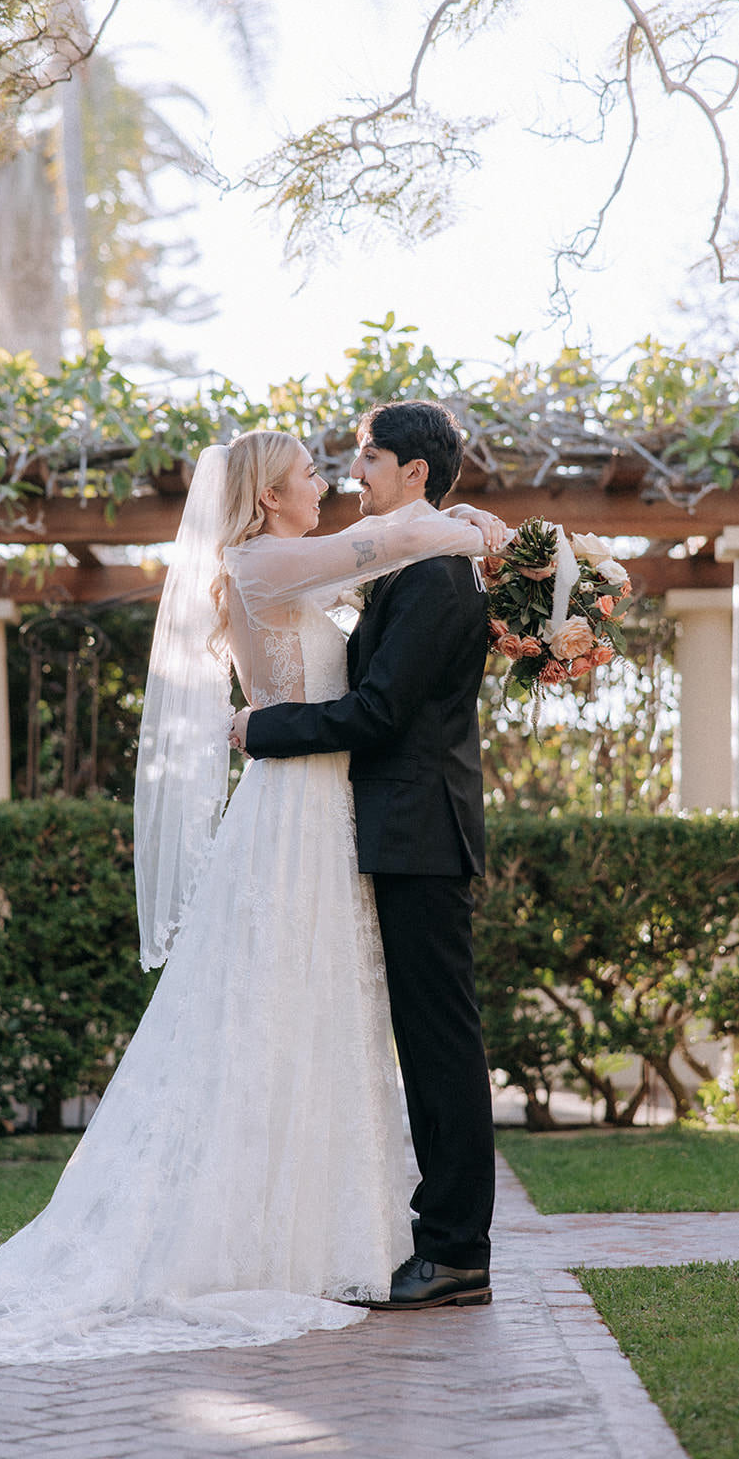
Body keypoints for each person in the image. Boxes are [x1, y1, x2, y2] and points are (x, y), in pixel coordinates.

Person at [0, 429, 506, 1374]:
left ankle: (375, 1236)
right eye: (309, 474)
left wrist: (463, 534)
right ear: (265, 495)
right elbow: (375, 561)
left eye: (354, 464)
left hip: (345, 818)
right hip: (304, 816)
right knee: (282, 1021)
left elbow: (378, 654)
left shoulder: (331, 566)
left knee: (329, 1022)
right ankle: (305, 1236)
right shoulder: (272, 559)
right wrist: (465, 528)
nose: (333, 480)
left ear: (408, 469)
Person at [231, 401, 499, 1310]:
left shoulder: (432, 577)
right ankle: (427, 1238)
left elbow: (379, 714)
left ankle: (456, 1250)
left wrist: (260, 729)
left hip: (419, 831)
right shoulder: (414, 559)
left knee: (438, 1047)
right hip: (399, 828)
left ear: (413, 473)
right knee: (419, 1045)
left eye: (370, 459)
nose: (355, 475)